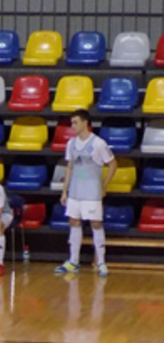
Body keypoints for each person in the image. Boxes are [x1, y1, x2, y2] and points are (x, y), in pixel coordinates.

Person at [55, 109, 118, 277]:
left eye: (75, 122)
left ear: (85, 123)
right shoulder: (71, 144)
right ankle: (73, 261)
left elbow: (113, 164)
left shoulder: (98, 143)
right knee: (73, 222)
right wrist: (64, 191)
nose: (73, 126)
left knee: (95, 224)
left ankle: (101, 262)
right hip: (75, 191)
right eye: (72, 123)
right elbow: (70, 168)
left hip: (92, 191)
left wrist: (104, 186)